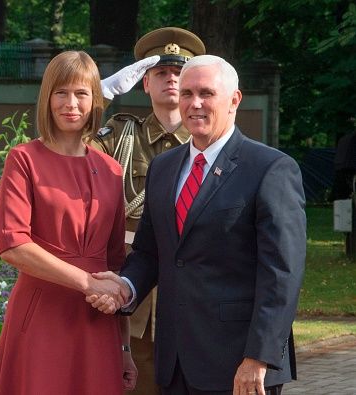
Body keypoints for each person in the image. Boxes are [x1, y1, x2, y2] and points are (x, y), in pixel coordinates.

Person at [89, 55, 306, 395]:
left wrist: (259, 359)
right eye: (187, 93)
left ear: (234, 100)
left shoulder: (270, 169)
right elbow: (150, 251)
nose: (195, 104)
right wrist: (125, 287)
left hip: (240, 364)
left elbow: (282, 276)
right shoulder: (164, 167)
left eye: (206, 93)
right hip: (174, 361)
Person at [0, 50, 137, 394]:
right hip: (42, 314)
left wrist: (125, 347)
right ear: (47, 98)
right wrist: (87, 282)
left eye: (82, 94)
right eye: (61, 92)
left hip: (97, 319)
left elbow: (115, 263)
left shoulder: (112, 170)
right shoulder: (23, 159)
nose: (71, 103)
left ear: (95, 101)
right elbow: (13, 245)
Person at [91, 26, 206, 394]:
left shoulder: (210, 143)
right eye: (160, 73)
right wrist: (99, 97)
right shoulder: (121, 136)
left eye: (179, 73)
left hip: (194, 290)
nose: (171, 80)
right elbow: (64, 146)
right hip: (133, 287)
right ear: (144, 83)